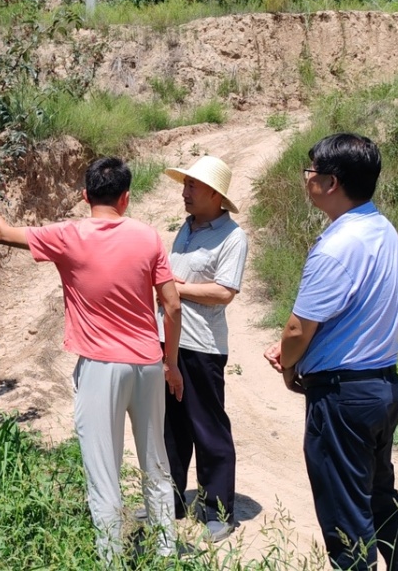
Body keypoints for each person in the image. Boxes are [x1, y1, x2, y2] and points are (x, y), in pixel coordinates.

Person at [0, 157, 184, 564]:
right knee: (156, 462)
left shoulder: (68, 235)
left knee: (103, 468)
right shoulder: (147, 237)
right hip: (147, 364)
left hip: (100, 367)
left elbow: (2, 233)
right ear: (126, 198)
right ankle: (167, 555)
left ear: (84, 196)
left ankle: (110, 559)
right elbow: (173, 305)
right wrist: (172, 363)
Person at [263, 133, 398, 570]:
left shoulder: (335, 247)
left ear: (331, 183)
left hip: (343, 398)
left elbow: (298, 328)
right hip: (382, 387)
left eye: (310, 171)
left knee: (345, 520)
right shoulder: (382, 229)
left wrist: (289, 363)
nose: (306, 179)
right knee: (379, 499)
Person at [157, 156, 247, 542]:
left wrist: (174, 287)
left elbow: (224, 292)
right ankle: (171, 501)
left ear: (215, 194)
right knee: (170, 428)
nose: (184, 192)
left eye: (192, 186)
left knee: (208, 428)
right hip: (170, 340)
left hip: (203, 348)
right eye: (185, 185)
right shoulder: (187, 228)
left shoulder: (232, 237)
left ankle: (219, 511)